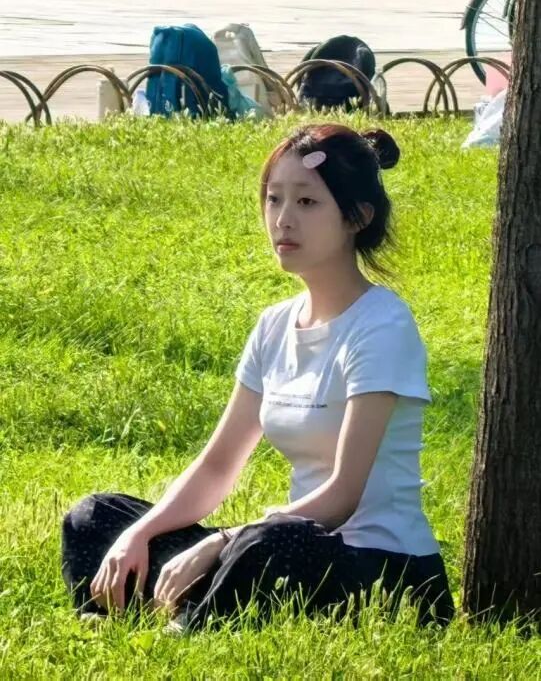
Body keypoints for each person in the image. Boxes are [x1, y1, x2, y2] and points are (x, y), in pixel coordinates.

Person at [61, 123, 455, 633]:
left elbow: (342, 496)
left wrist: (221, 541)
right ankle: (130, 612)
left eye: (307, 202)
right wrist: (140, 533)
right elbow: (217, 466)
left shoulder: (382, 326)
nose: (283, 219)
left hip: (382, 571)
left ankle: (188, 624)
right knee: (96, 515)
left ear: (357, 217)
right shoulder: (274, 325)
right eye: (274, 199)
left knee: (272, 542)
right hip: (280, 545)